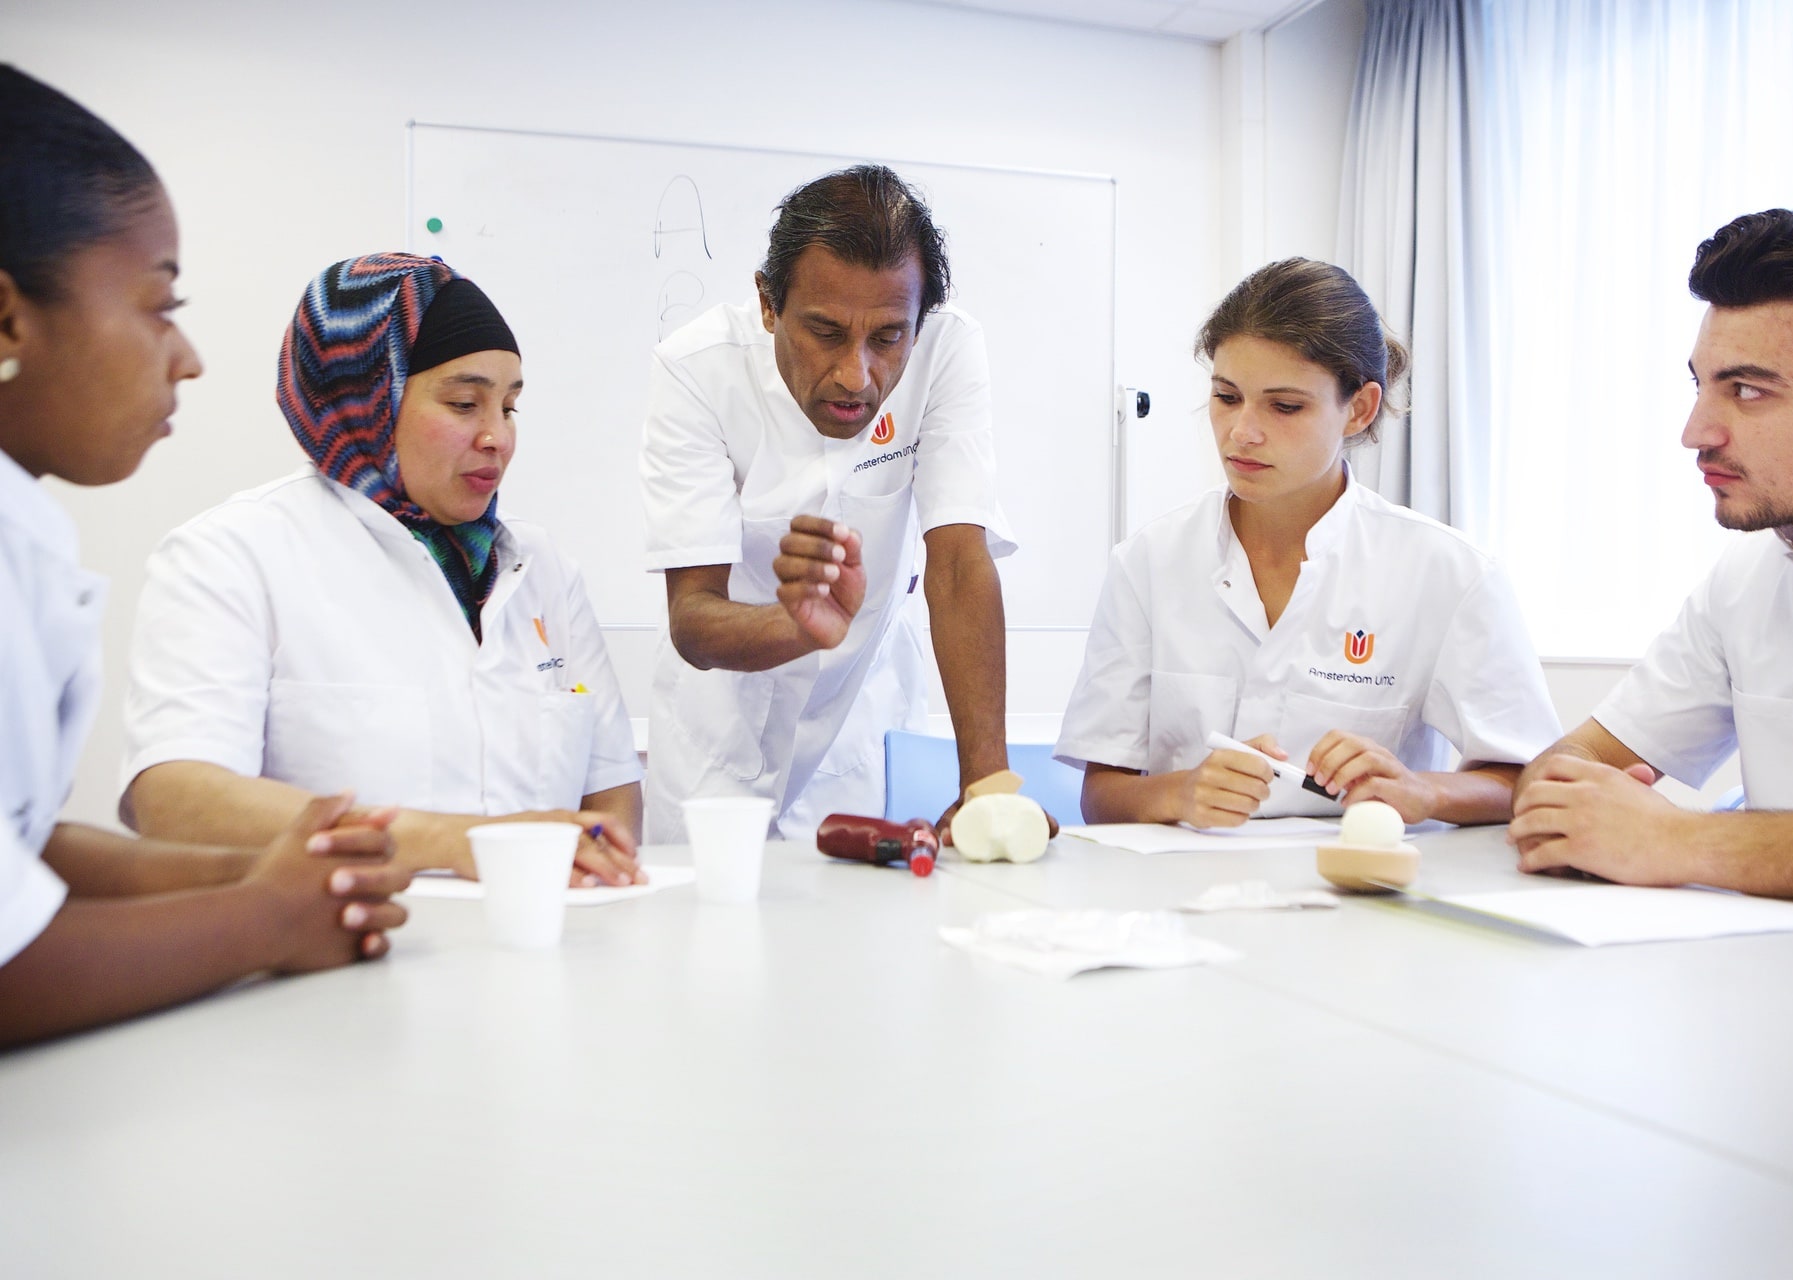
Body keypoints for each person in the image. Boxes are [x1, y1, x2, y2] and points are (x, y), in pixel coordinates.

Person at [0, 66, 410, 1046]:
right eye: (159, 305)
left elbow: (24, 846)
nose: (186, 356)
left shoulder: (25, 533)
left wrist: (271, 874)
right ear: (8, 319)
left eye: (510, 403)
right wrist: (269, 915)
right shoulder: (228, 546)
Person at [119, 253, 645, 886]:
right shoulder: (232, 554)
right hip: (341, 940)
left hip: (541, 937)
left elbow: (610, 790)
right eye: (463, 403)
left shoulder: (540, 567)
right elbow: (175, 798)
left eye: (509, 408)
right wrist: (456, 844)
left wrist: (598, 875)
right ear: (366, 401)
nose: (497, 437)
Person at [1511, 198, 1793, 905]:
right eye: (1701, 385)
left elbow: (1675, 838)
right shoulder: (1750, 575)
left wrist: (1685, 841)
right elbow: (1573, 763)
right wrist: (1576, 805)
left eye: (1749, 390)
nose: (1696, 432)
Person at [1056, 259, 1561, 829]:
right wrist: (1180, 793)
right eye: (1226, 397)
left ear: (1359, 409)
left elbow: (1526, 778)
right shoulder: (1149, 562)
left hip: (1357, 879)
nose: (1242, 432)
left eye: (1285, 406)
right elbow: (1102, 795)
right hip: (1182, 878)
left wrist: (1426, 792)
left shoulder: (1449, 574)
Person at [640, 165, 1026, 843]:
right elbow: (692, 617)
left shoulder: (947, 350)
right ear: (769, 303)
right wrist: (795, 628)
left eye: (888, 338)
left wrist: (988, 789)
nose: (856, 375)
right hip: (716, 745)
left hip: (861, 736)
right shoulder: (696, 369)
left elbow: (959, 564)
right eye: (824, 332)